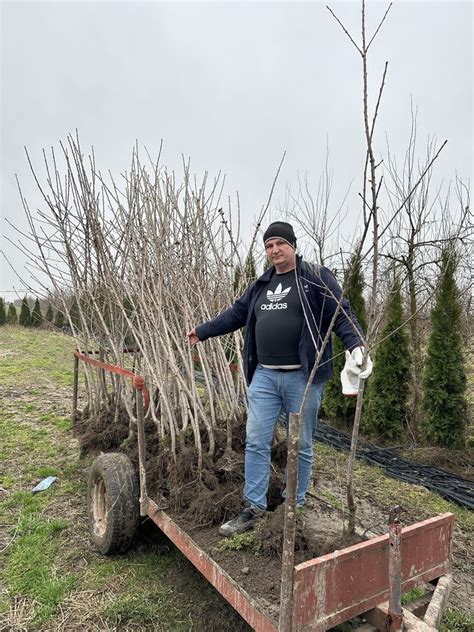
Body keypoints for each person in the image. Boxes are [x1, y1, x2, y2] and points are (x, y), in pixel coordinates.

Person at [187, 221, 371, 536]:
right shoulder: (261, 284)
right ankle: (253, 507)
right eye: (269, 245)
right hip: (265, 377)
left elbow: (341, 313)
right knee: (257, 440)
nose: (274, 250)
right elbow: (236, 314)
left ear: (292, 245)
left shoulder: (314, 278)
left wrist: (357, 345)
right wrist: (202, 331)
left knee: (301, 444)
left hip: (303, 377)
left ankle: (293, 505)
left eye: (280, 244)